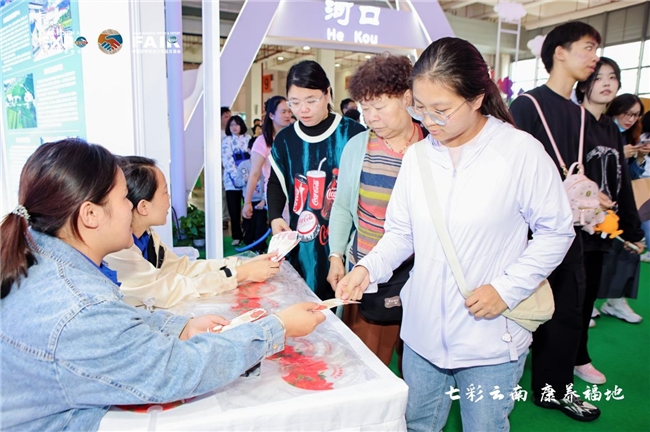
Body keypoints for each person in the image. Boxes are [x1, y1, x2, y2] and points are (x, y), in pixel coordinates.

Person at [0, 139, 326, 431]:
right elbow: (173, 370)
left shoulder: (44, 256)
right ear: (90, 215)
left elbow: (116, 320)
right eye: (123, 198)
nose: (131, 206)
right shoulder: (78, 307)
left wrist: (178, 327)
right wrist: (277, 327)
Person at [336, 37, 574, 432]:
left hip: (490, 337)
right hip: (422, 335)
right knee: (418, 425)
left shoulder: (519, 152)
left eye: (441, 110)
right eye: (420, 108)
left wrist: (506, 288)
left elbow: (556, 232)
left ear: (477, 98)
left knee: (484, 426)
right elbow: (401, 232)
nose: (429, 121)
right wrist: (367, 268)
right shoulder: (418, 157)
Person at [509, 21, 603, 421]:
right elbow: (509, 170)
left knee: (567, 310)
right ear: (559, 52)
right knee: (514, 308)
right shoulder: (526, 106)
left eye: (596, 49)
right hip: (526, 232)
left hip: (568, 230)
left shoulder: (581, 115)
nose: (594, 57)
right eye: (588, 47)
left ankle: (554, 391)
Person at [328, 54, 424, 366]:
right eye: (365, 108)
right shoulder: (358, 147)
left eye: (379, 107)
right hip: (365, 275)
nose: (371, 117)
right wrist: (336, 256)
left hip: (418, 277)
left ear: (407, 98)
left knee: (417, 368)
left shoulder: (430, 147)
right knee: (365, 365)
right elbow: (343, 208)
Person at [104, 156, 282, 308]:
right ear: (143, 206)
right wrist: (241, 274)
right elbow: (172, 290)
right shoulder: (117, 252)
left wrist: (240, 265)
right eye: (165, 192)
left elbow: (182, 269)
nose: (169, 198)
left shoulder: (146, 236)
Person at [267, 60, 366, 300]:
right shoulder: (285, 140)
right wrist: (275, 217)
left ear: (327, 93)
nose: (303, 110)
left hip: (349, 244)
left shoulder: (353, 134)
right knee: (306, 305)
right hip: (303, 245)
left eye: (311, 101)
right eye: (294, 102)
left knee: (343, 305)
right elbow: (276, 182)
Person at [573, 58, 645, 384]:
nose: (606, 83)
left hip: (602, 230)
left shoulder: (611, 131)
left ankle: (579, 357)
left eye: (612, 77)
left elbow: (623, 185)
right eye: (598, 76)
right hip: (571, 228)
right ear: (584, 83)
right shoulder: (573, 122)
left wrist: (633, 229)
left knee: (587, 296)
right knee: (565, 299)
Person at [597, 94, 648, 321]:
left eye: (636, 115)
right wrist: (617, 155)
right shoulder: (600, 131)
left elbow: (631, 178)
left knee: (628, 252)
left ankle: (616, 301)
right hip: (597, 205)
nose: (631, 119)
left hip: (623, 206)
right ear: (616, 110)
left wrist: (638, 159)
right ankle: (590, 300)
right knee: (597, 256)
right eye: (627, 113)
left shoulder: (631, 136)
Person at [242, 96, 293, 252]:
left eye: (289, 111)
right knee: (284, 235)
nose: (288, 115)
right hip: (276, 193)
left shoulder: (294, 136)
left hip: (298, 192)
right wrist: (247, 202)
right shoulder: (262, 141)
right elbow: (255, 173)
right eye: (283, 112)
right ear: (271, 115)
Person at [222, 115, 251, 246]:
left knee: (249, 207)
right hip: (231, 182)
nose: (234, 127)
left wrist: (249, 177)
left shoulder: (248, 139)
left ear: (241, 125)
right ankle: (236, 236)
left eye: (236, 124)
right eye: (231, 125)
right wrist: (237, 178)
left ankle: (249, 234)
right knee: (234, 210)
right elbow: (227, 161)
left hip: (249, 180)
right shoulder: (226, 141)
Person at [220, 106, 232, 229]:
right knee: (222, 193)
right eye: (226, 116)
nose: (228, 119)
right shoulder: (215, 133)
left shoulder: (233, 133)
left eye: (230, 116)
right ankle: (224, 217)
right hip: (221, 168)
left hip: (234, 168)